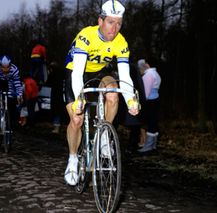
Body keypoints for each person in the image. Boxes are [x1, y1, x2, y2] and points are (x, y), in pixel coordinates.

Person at [63, 0, 139, 186]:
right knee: (77, 119)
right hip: (76, 72)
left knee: (113, 92)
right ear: (100, 21)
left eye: (119, 23)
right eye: (111, 22)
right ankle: (73, 158)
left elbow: (125, 77)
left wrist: (131, 100)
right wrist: (79, 99)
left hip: (100, 72)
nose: (115, 28)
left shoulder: (121, 42)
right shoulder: (86, 36)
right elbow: (78, 73)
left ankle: (104, 133)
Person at [0, 55, 23, 125]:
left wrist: (19, 95)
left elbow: (18, 84)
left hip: (9, 81)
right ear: (0, 66)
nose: (5, 71)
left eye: (7, 69)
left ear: (10, 65)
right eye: (3, 68)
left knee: (12, 98)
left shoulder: (14, 69)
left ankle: (11, 117)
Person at [136, 59, 161, 153]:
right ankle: (153, 145)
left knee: (150, 123)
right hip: (156, 100)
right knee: (154, 122)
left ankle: (148, 146)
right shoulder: (155, 73)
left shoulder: (148, 75)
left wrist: (140, 102)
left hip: (150, 101)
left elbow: (145, 93)